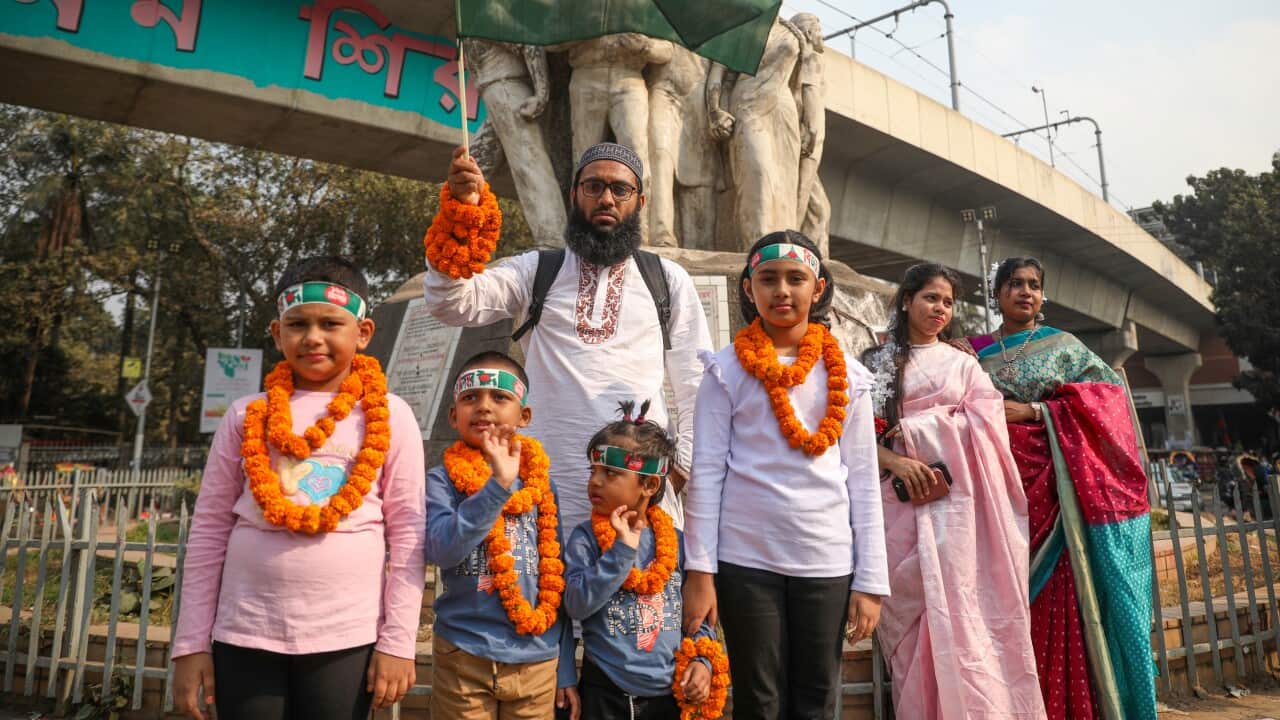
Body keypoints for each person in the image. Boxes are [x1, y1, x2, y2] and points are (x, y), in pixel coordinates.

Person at [171, 256, 426, 719]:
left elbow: (408, 535)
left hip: (346, 637)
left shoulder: (390, 414)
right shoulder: (247, 414)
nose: (313, 337)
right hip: (244, 632)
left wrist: (398, 642)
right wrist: (190, 645)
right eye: (298, 324)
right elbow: (208, 531)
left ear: (363, 333)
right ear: (276, 333)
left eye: (331, 323)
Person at [422, 142, 712, 532]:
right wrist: (462, 216)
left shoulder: (667, 279)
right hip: (543, 493)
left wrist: (675, 476)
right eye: (593, 187)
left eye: (620, 189)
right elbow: (452, 303)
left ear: (640, 201)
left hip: (639, 501)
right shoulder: (536, 271)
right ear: (574, 196)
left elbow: (697, 387)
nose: (606, 198)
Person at [683, 230, 889, 718]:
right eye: (768, 279)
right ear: (748, 289)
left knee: (817, 698)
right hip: (745, 560)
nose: (782, 291)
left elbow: (862, 480)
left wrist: (870, 581)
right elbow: (707, 472)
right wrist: (700, 572)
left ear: (817, 289)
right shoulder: (725, 370)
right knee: (759, 700)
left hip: (827, 560)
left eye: (796, 279)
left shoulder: (849, 376)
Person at [959, 257, 1157, 720]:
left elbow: (1110, 402)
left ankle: (1071, 706)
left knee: (1064, 596)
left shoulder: (1066, 347)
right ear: (997, 294)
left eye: (1033, 285)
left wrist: (1036, 413)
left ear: (1043, 295)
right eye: (1014, 284)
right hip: (996, 485)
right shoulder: (972, 350)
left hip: (1060, 491)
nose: (1025, 292)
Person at [861, 263, 1045, 718]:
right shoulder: (874, 362)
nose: (939, 308)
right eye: (930, 298)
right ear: (906, 300)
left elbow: (988, 423)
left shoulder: (964, 365)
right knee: (913, 633)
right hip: (897, 506)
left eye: (947, 301)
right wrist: (897, 457)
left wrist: (918, 429)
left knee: (964, 614)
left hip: (958, 513)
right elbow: (854, 435)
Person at [424, 351, 578, 719]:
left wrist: (566, 666)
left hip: (537, 662)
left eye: (500, 397)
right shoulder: (441, 481)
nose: (484, 407)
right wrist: (497, 486)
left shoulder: (542, 484)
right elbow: (442, 550)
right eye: (470, 398)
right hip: (463, 653)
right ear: (453, 415)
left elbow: (554, 577)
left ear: (524, 416)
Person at [563, 400, 722, 720]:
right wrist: (621, 552)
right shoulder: (586, 539)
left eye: (610, 473)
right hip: (605, 690)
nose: (595, 481)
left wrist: (702, 661)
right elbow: (575, 605)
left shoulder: (677, 543)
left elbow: (699, 618)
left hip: (668, 695)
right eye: (592, 471)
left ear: (649, 484)